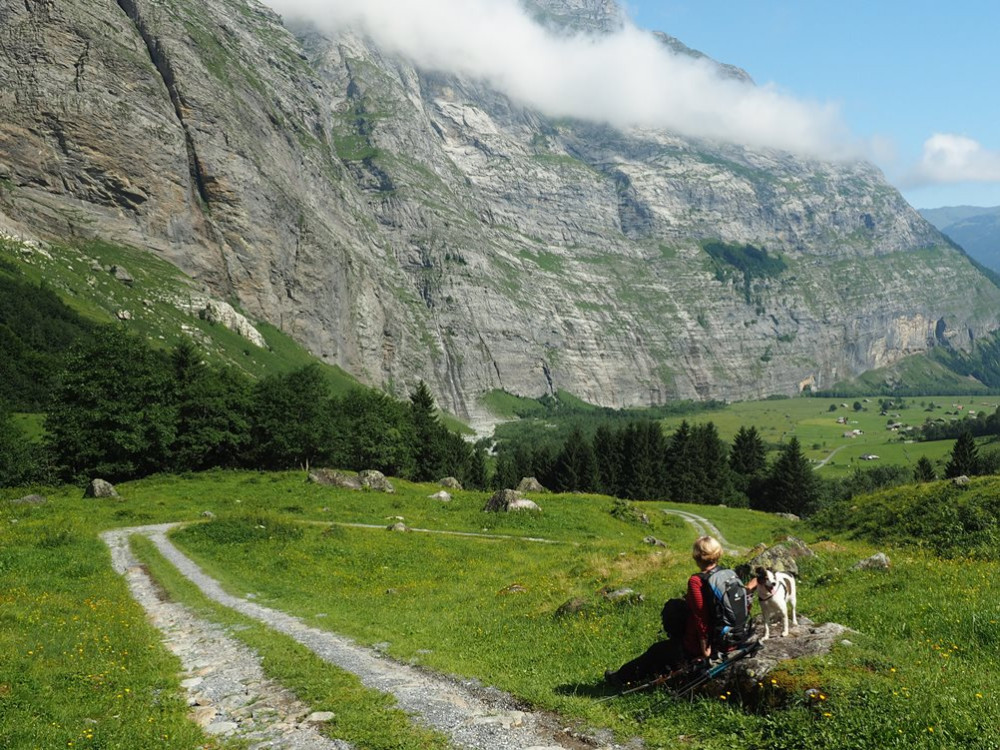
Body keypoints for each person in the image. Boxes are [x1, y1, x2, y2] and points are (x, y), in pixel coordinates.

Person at [605, 535, 754, 687]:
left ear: (697, 556)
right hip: (734, 637)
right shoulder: (729, 574)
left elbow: (700, 617)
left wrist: (704, 651)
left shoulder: (697, 581)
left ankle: (619, 679)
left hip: (706, 644)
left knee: (657, 651)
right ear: (718, 553)